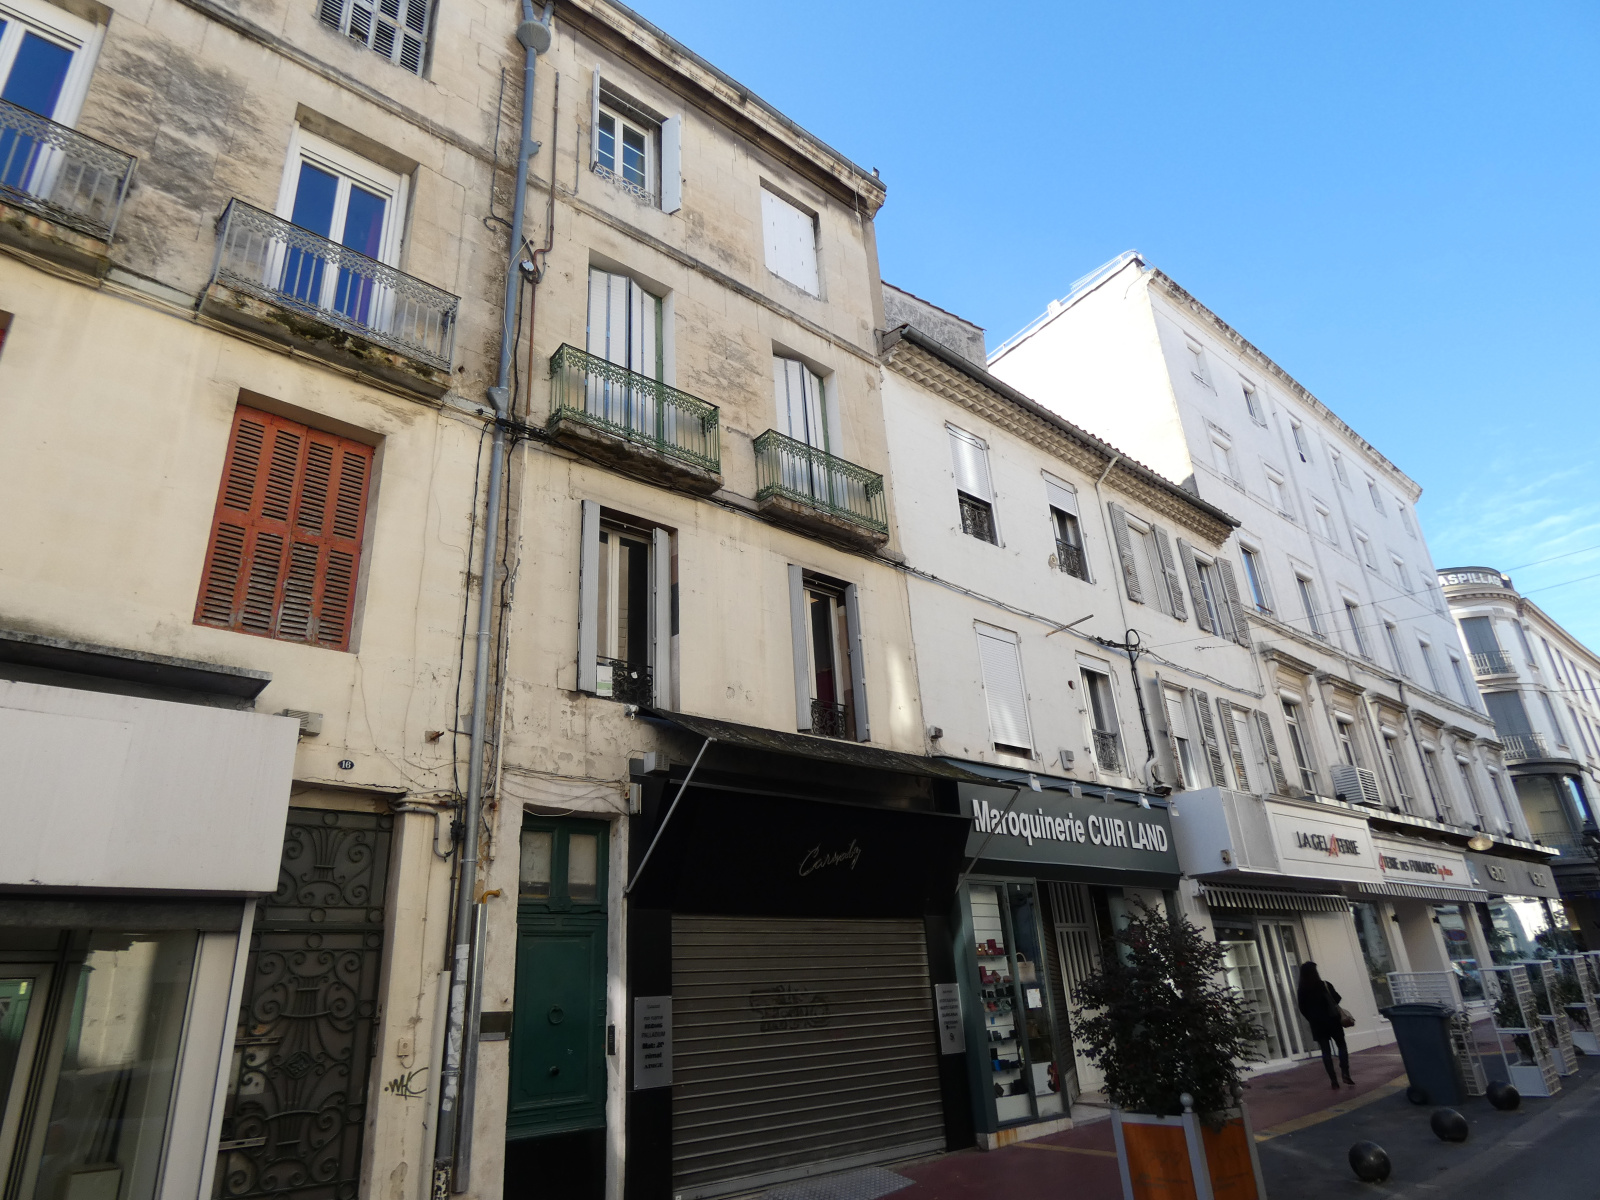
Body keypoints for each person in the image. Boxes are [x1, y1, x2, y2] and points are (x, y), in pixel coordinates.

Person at [1297, 960, 1354, 1090]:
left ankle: (1333, 1080)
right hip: (1333, 1020)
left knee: (1325, 1051)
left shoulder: (1302, 990)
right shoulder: (1324, 985)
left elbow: (1302, 1008)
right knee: (1341, 1045)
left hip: (1317, 1024)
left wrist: (1312, 1018)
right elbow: (1337, 999)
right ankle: (1345, 1072)